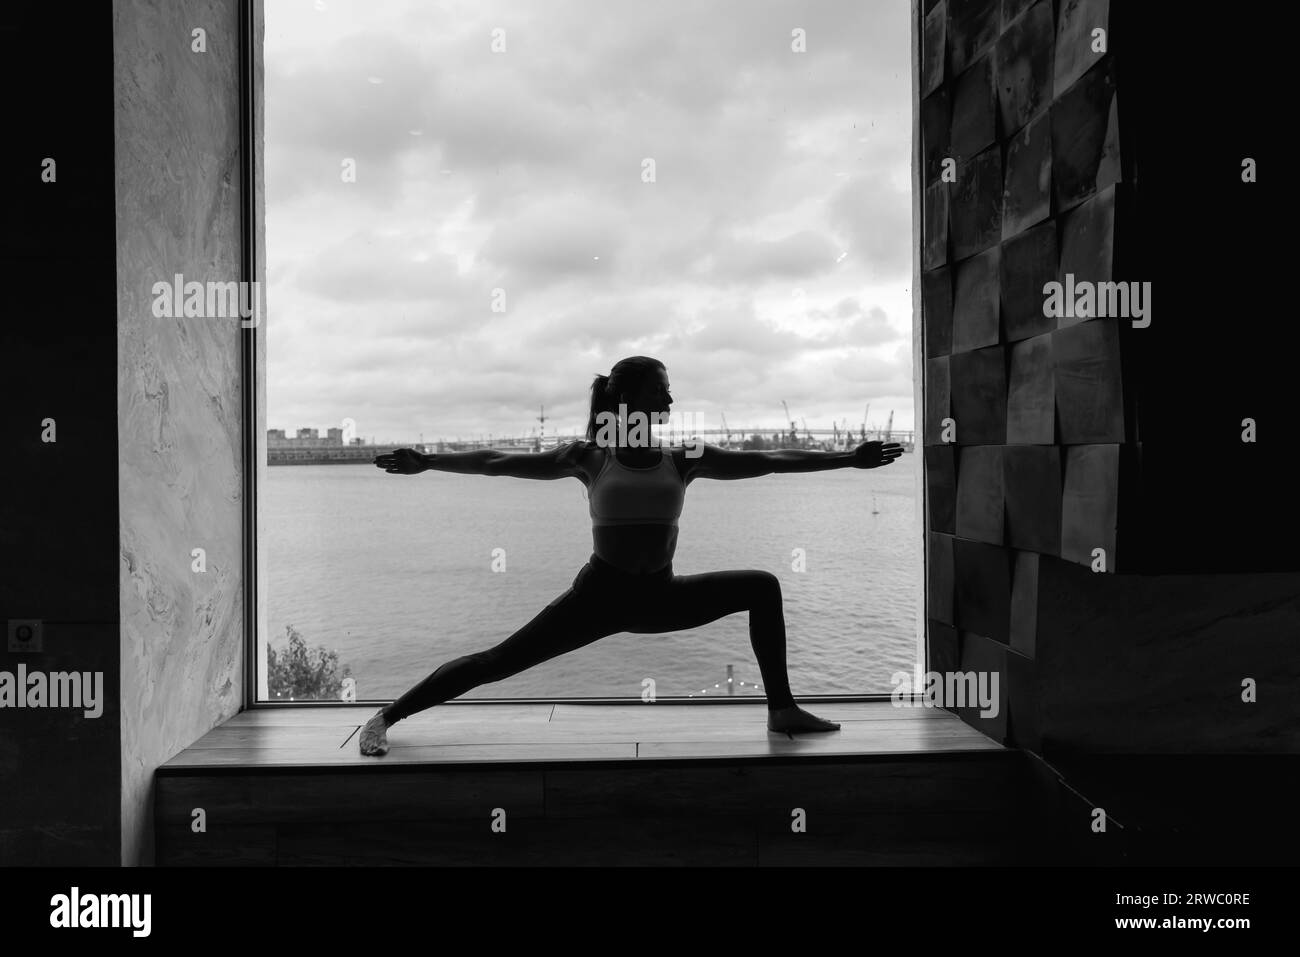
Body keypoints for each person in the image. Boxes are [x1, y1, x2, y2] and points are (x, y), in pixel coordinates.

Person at [360, 355, 903, 755]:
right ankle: (385, 718)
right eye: (661, 391)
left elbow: (768, 459)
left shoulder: (684, 456)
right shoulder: (590, 456)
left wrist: (846, 459)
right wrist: (427, 462)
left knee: (762, 586)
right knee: (497, 663)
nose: (670, 403)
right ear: (629, 402)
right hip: (599, 596)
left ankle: (781, 710)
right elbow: (496, 461)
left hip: (661, 596)